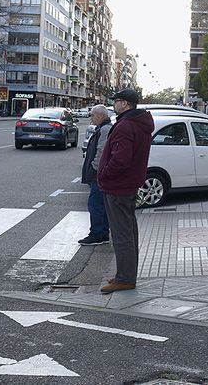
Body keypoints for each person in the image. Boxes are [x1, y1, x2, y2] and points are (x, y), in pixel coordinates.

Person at [96, 89, 154, 294]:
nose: (114, 104)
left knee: (122, 235)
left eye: (117, 101)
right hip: (128, 185)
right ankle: (126, 275)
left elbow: (121, 159)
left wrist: (103, 173)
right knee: (129, 232)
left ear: (126, 104)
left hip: (118, 186)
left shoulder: (126, 125)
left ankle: (125, 278)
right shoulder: (138, 123)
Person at [78, 105, 112, 246]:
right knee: (101, 204)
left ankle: (97, 233)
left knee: (95, 204)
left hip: (99, 174)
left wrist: (94, 168)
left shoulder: (104, 129)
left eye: (92, 115)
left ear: (100, 115)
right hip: (100, 173)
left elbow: (101, 151)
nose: (91, 118)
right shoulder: (103, 128)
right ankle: (103, 233)